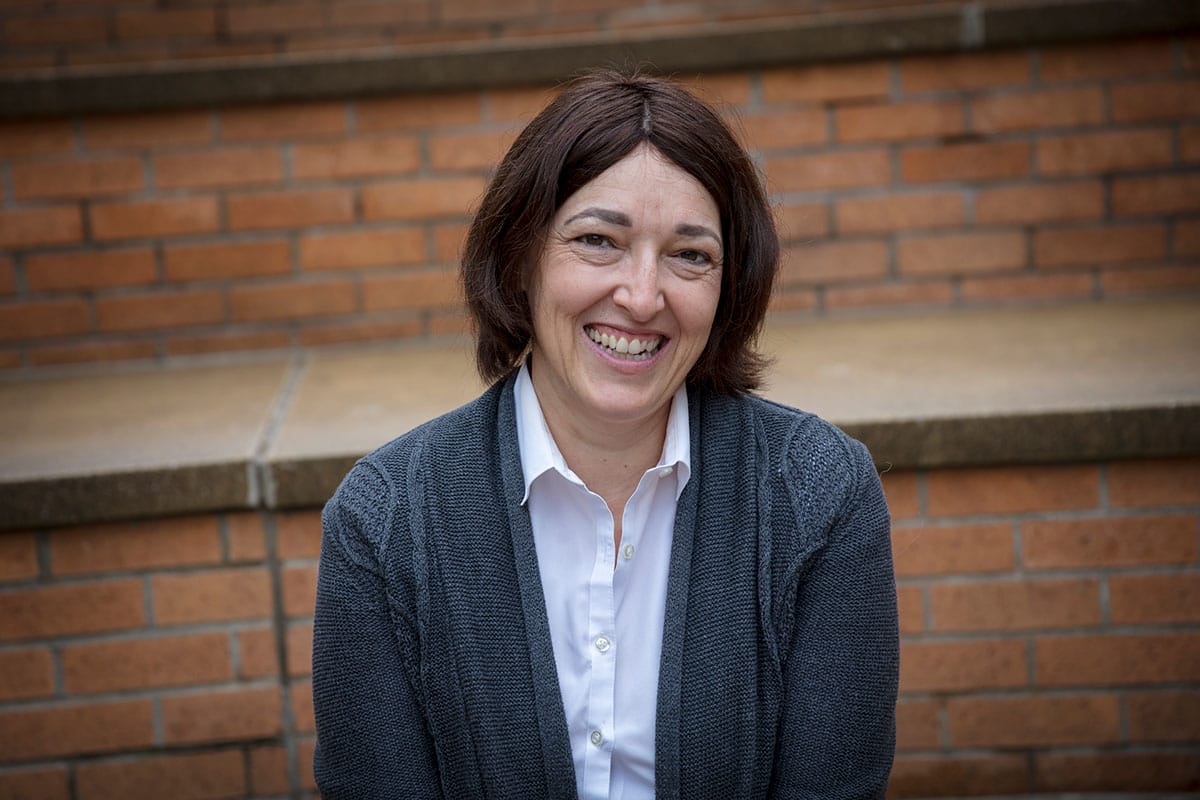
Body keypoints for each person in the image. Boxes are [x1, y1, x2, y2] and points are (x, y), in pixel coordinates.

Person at [312, 69, 898, 800]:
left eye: (691, 256)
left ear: (729, 287)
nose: (643, 296)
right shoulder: (386, 521)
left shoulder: (819, 495)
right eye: (598, 241)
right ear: (519, 257)